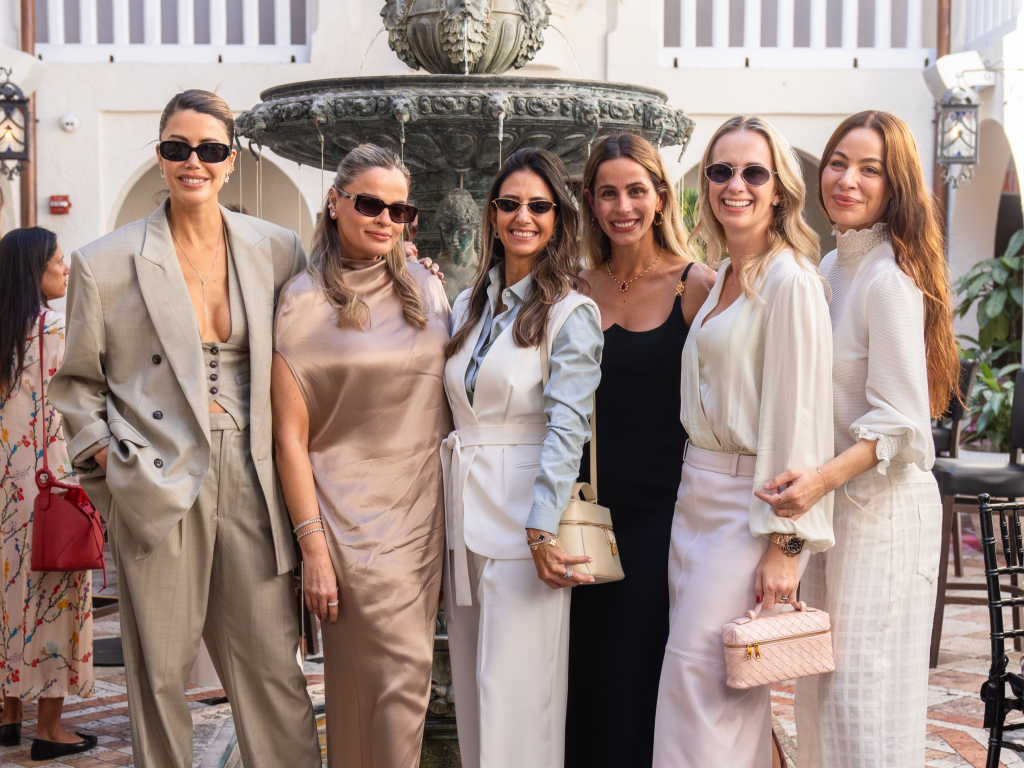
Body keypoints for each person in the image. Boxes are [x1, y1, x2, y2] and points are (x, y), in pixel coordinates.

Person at [49, 89, 320, 768]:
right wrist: (112, 467)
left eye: (209, 149)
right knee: (160, 676)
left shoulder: (277, 248)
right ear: (161, 155)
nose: (192, 161)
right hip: (156, 476)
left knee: (271, 669)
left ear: (231, 160)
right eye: (176, 147)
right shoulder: (105, 261)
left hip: (256, 477)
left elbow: (319, 343)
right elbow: (77, 383)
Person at [756, 111, 954, 768]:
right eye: (839, 162)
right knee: (821, 700)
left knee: (863, 707)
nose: (846, 179)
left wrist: (813, 484)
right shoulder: (830, 269)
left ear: (895, 184)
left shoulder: (888, 280)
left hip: (886, 519)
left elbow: (901, 422)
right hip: (838, 513)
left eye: (869, 168)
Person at [652, 116, 835, 768]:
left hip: (746, 509)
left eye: (753, 172)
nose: (736, 184)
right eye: (721, 171)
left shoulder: (791, 282)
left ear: (780, 189)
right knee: (727, 699)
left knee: (697, 695)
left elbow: (801, 422)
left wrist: (785, 546)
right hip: (692, 502)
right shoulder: (719, 278)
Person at [272, 143, 451, 768]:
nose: (386, 220)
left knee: (401, 687)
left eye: (401, 211)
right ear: (335, 202)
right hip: (347, 530)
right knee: (372, 687)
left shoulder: (428, 289)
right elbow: (290, 436)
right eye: (371, 203)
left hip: (423, 521)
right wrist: (313, 548)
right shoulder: (299, 300)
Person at [441, 147, 603, 768]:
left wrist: (543, 524)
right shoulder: (467, 307)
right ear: (491, 214)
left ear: (558, 218)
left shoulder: (571, 311)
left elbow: (569, 425)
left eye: (538, 206)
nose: (523, 217)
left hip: (528, 523)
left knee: (517, 696)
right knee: (475, 695)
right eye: (509, 204)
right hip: (464, 520)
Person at [565, 132, 714, 768]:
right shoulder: (572, 285)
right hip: (585, 512)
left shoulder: (695, 285)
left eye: (635, 190)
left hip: (664, 516)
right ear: (591, 203)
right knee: (584, 680)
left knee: (645, 677)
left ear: (659, 197)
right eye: (607, 193)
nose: (622, 206)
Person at [0, 227, 97, 761]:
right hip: (49, 487)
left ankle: (8, 718)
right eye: (59, 261)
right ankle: (50, 731)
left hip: (2, 492)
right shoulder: (56, 329)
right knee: (55, 597)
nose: (65, 269)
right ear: (34, 271)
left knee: (5, 599)